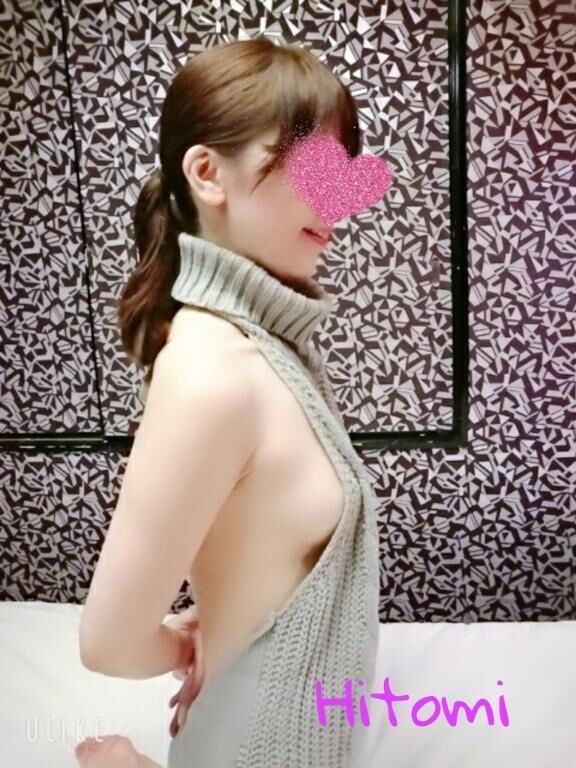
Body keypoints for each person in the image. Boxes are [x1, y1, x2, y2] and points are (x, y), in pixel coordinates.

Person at [75, 35, 381, 768]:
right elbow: (108, 642)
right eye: (312, 164)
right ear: (208, 174)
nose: (335, 200)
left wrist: (221, 616)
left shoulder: (272, 350)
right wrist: (185, 644)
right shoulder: (211, 373)